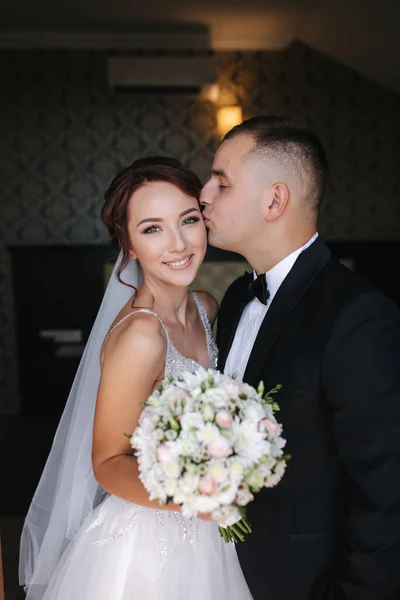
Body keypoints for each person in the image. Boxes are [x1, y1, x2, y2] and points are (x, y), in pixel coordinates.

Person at [19, 157, 253, 600]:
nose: (179, 243)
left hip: (211, 530)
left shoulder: (205, 308)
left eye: (187, 220)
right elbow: (107, 465)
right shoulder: (143, 335)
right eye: (152, 229)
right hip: (151, 542)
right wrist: (200, 498)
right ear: (128, 245)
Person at [200, 116, 400, 600]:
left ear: (274, 200)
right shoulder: (232, 299)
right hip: (220, 567)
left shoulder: (357, 316)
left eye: (221, 182)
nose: (203, 194)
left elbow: (386, 493)